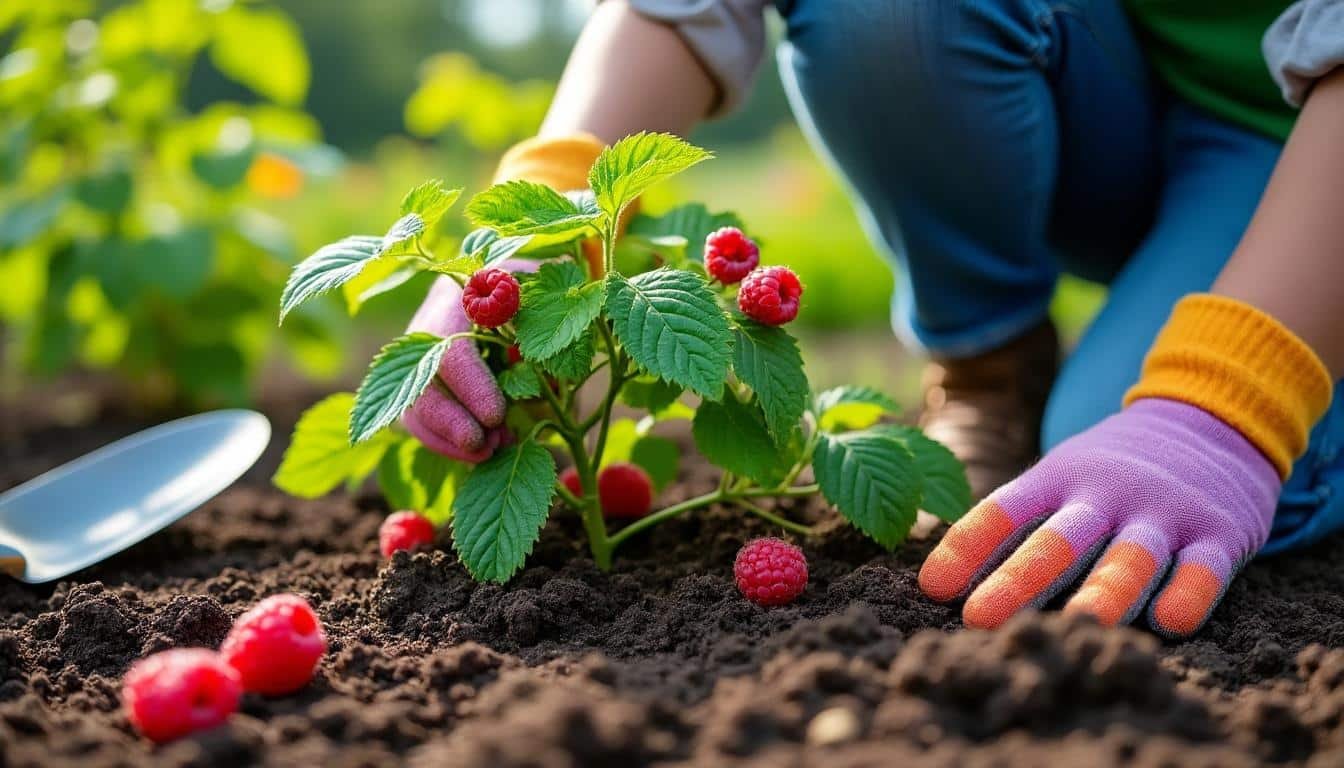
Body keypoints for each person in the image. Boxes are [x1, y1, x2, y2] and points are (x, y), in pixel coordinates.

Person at [405, 1, 1344, 638]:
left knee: (1141, 488)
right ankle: (991, 365)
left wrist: (1226, 410)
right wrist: (553, 205)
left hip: (1301, 142)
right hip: (1110, 84)